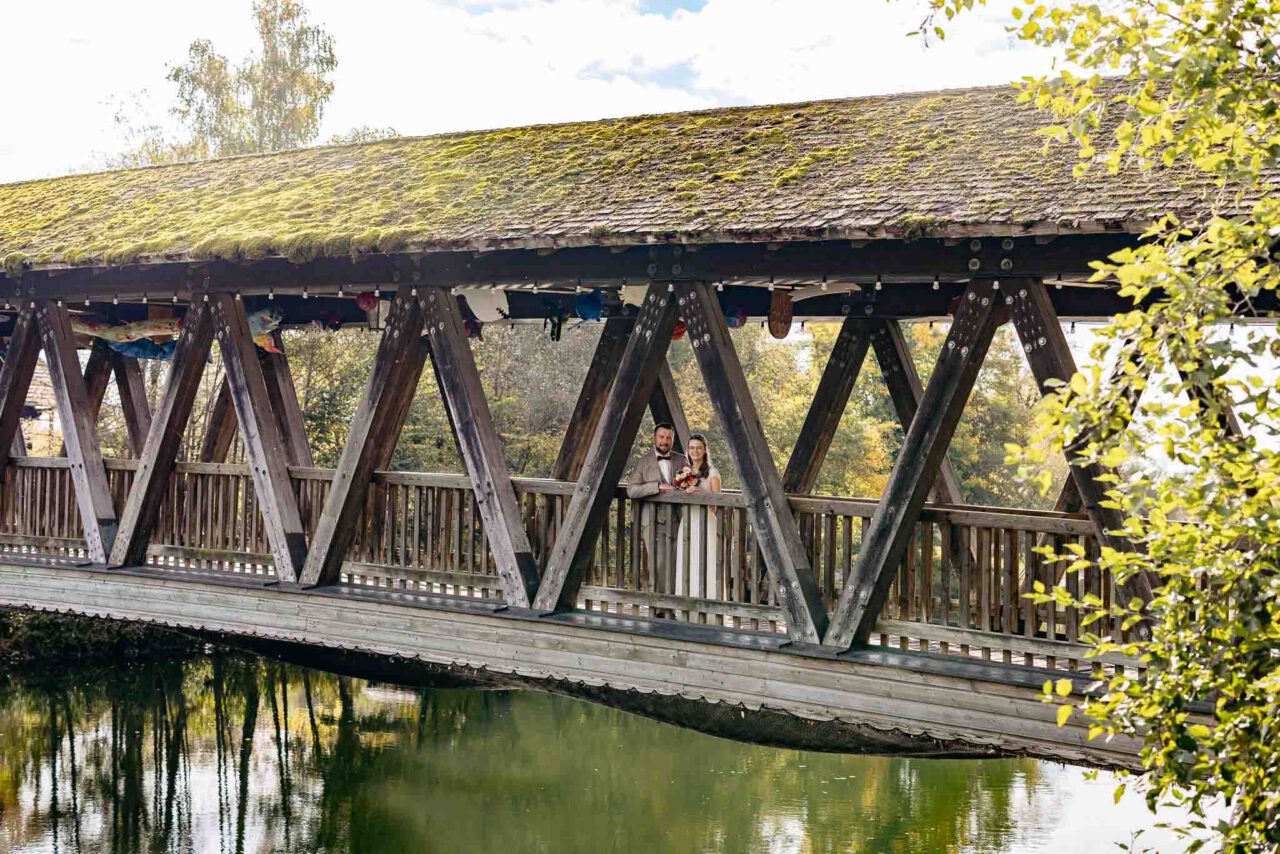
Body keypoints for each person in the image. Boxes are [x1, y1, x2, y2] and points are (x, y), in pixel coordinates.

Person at [625, 423, 686, 595]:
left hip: (677, 520)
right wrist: (657, 486)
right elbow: (632, 490)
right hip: (652, 522)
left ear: (672, 440)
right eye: (661, 437)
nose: (664, 441)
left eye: (668, 438)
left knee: (675, 563)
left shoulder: (682, 460)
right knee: (658, 564)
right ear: (654, 438)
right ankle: (658, 608)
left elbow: (691, 483)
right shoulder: (643, 462)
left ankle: (672, 607)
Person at [675, 434, 722, 599]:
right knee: (687, 560)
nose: (695, 451)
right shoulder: (684, 473)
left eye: (699, 448)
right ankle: (684, 605)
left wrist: (700, 492)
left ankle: (707, 604)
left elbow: (716, 503)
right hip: (687, 520)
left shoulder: (712, 473)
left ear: (705, 451)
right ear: (687, 451)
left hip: (705, 521)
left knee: (704, 560)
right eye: (692, 448)